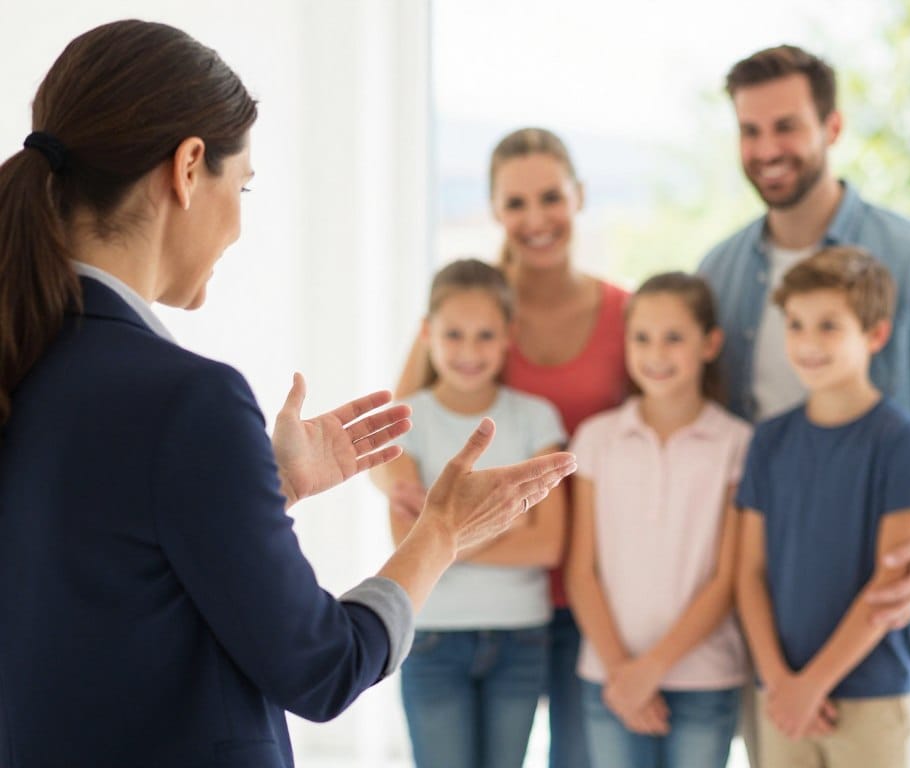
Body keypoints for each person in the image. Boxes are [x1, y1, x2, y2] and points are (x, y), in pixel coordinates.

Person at [0, 20, 576, 768]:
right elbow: (324, 666)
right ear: (187, 168)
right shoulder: (189, 401)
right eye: (241, 187)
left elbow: (100, 573)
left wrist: (262, 488)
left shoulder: (27, 359)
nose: (238, 224)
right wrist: (442, 534)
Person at [698, 44, 910, 768]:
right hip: (770, 614)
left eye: (786, 127)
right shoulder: (718, 270)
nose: (766, 149)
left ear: (832, 127)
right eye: (750, 131)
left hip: (879, 608)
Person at [393, 127, 630, 768]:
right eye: (516, 203)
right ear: (496, 209)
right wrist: (424, 518)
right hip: (489, 599)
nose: (535, 219)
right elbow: (395, 436)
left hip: (595, 590)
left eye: (550, 197)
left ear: (578, 196)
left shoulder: (625, 315)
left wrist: (457, 541)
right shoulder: (471, 308)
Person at [735, 245, 910, 767]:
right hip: (779, 694)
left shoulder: (898, 440)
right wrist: (781, 682)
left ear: (875, 335)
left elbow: (890, 581)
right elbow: (748, 573)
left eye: (829, 326)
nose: (807, 343)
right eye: (796, 325)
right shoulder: (769, 441)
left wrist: (813, 684)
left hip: (872, 695)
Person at [371, 258, 568, 768]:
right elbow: (406, 544)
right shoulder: (406, 421)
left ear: (510, 336)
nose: (468, 351)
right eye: (453, 335)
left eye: (485, 336)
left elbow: (548, 543)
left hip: (520, 633)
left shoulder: (534, 417)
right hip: (432, 636)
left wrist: (447, 533)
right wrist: (512, 517)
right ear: (426, 333)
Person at [566, 272, 751, 768]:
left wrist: (652, 669)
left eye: (674, 338)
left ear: (710, 343)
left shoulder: (737, 443)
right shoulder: (596, 439)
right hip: (609, 675)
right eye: (642, 338)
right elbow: (581, 570)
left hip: (705, 678)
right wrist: (623, 673)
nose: (657, 353)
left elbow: (728, 578)